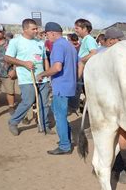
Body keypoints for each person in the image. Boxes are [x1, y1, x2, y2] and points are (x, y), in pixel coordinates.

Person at [35, 22, 77, 155]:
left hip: (61, 86)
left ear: (52, 33)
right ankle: (66, 140)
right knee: (59, 112)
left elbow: (57, 67)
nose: (47, 37)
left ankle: (65, 145)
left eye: (47, 34)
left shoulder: (58, 45)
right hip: (69, 85)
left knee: (59, 116)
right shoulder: (69, 45)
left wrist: (42, 74)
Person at [4, 18, 52, 136]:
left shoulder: (40, 42)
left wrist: (47, 74)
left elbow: (45, 59)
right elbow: (7, 58)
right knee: (28, 101)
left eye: (37, 28)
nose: (36, 31)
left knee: (44, 103)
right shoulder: (15, 42)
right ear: (25, 29)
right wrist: (24, 63)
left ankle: (43, 125)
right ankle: (13, 122)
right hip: (26, 79)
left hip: (42, 78)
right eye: (33, 29)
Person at [95, 27, 126, 183]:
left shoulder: (123, 56)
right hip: (107, 103)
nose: (121, 43)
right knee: (111, 137)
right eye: (118, 40)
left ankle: (119, 165)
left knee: (123, 140)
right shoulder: (101, 58)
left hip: (123, 102)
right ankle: (118, 168)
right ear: (110, 41)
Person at [0, 24, 16, 117]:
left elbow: (16, 57)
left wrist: (14, 70)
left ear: (3, 32)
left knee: (10, 91)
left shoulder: (10, 43)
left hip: (8, 72)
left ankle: (11, 107)